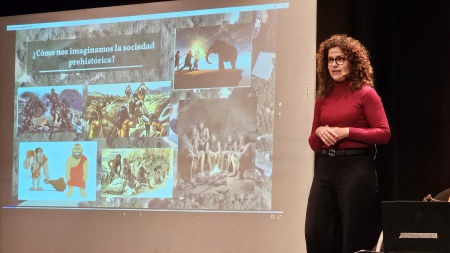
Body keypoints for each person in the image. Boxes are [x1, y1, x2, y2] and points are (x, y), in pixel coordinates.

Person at [305, 34, 391, 253]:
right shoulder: (323, 96)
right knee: (315, 232)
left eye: (340, 59)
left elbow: (384, 134)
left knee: (354, 235)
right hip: (325, 169)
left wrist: (347, 132)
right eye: (330, 60)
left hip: (356, 169)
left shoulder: (366, 93)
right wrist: (319, 130)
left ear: (352, 61)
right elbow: (314, 144)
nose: (334, 64)